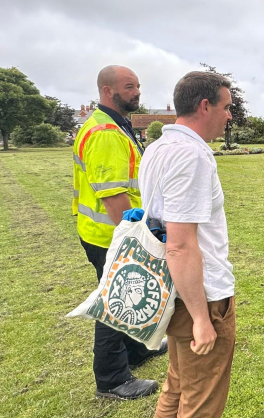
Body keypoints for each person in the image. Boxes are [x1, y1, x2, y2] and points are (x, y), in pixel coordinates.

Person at [140, 71, 237, 418]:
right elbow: (179, 245)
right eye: (227, 107)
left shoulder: (158, 147)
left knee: (177, 384)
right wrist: (201, 318)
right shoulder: (192, 156)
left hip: (171, 287)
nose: (230, 116)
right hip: (200, 295)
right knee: (201, 402)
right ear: (205, 105)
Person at [72, 65, 163, 400]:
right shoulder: (106, 132)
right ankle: (111, 379)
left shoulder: (111, 124)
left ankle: (136, 351)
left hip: (101, 232)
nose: (136, 92)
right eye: (129, 86)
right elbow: (113, 195)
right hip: (110, 233)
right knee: (116, 302)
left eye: (138, 85)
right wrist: (137, 238)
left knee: (127, 296)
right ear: (108, 90)